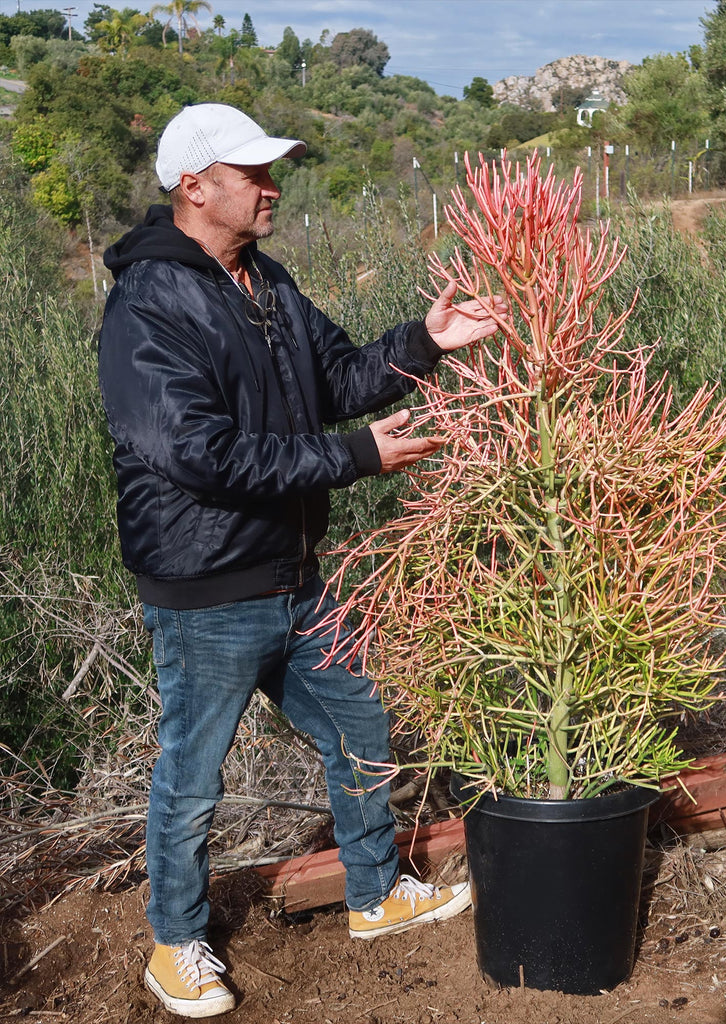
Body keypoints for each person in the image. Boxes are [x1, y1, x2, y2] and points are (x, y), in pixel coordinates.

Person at [97, 103, 504, 1019]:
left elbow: (342, 379)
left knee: (359, 722)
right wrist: (359, 456)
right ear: (194, 187)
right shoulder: (149, 305)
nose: (273, 187)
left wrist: (422, 345)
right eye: (253, 174)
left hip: (292, 571)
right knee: (192, 776)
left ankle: (373, 895)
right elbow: (199, 455)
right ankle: (177, 944)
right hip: (207, 589)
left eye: (272, 171)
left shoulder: (262, 280)